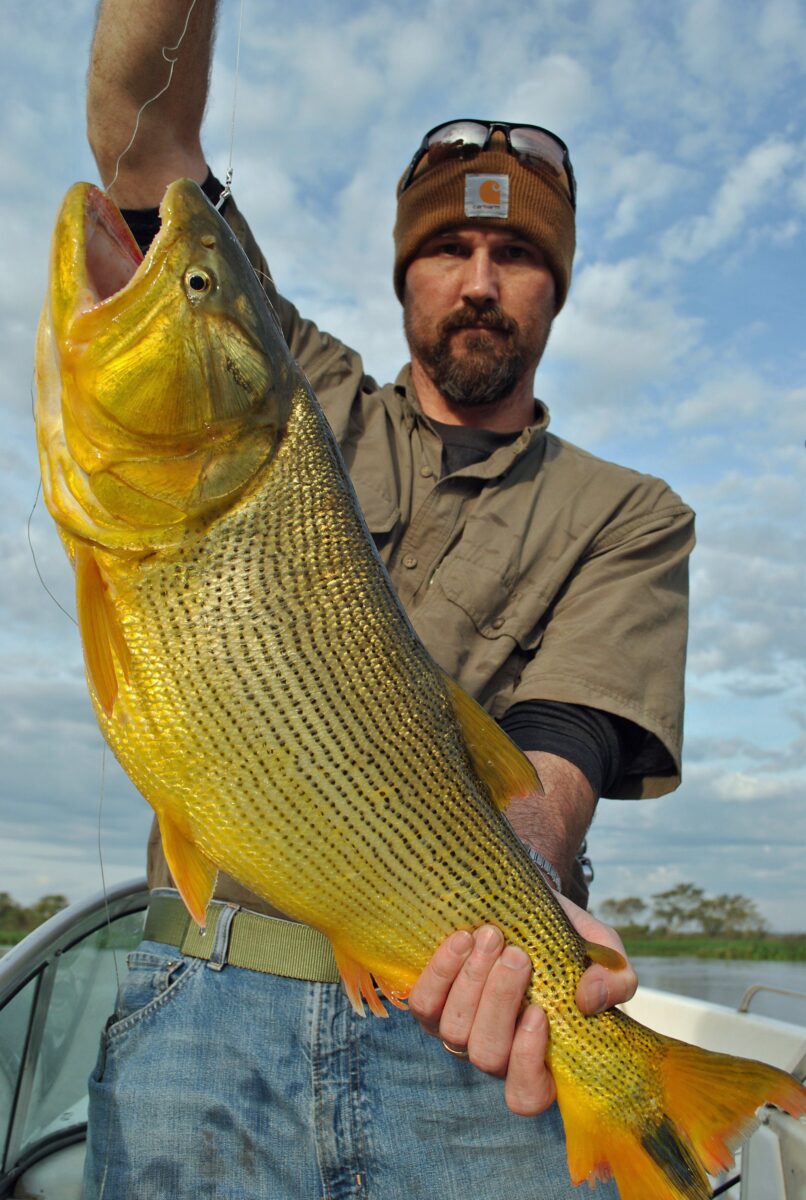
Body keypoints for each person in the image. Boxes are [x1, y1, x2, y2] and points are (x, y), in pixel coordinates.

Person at [82, 3, 694, 1198]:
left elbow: (555, 757)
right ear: (402, 270)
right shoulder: (278, 381)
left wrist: (504, 931)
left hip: (473, 1036)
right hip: (202, 1002)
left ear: (555, 291)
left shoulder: (632, 512)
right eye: (447, 253)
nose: (478, 282)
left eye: (516, 257)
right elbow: (135, 142)